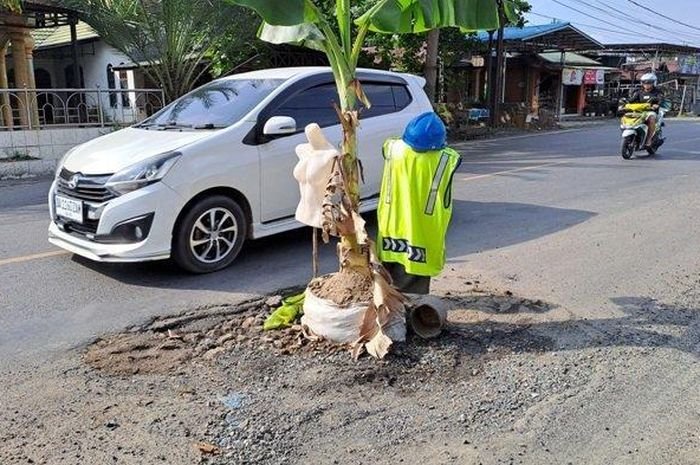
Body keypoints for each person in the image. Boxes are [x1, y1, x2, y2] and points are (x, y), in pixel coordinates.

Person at [377, 112, 462, 295]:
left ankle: (391, 301)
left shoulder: (393, 148)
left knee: (390, 271)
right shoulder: (447, 159)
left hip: (392, 225)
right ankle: (412, 306)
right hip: (423, 231)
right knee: (416, 276)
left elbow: (389, 143)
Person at [629, 73, 665, 147]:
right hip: (640, 112)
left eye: (649, 82)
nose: (646, 84)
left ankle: (649, 139)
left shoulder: (657, 92)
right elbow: (632, 100)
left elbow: (661, 99)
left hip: (651, 112)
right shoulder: (639, 92)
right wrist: (624, 101)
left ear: (653, 83)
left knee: (651, 118)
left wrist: (657, 105)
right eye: (644, 82)